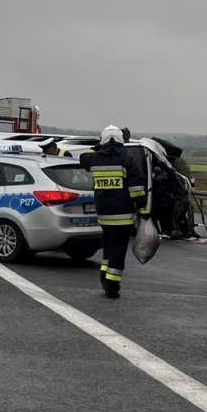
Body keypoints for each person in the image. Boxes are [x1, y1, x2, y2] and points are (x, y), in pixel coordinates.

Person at [78, 125, 150, 298]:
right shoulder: (127, 159)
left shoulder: (95, 159)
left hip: (103, 214)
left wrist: (97, 147)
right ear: (120, 140)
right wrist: (142, 207)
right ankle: (111, 286)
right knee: (118, 250)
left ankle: (104, 276)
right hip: (122, 215)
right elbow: (137, 186)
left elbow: (83, 158)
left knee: (108, 247)